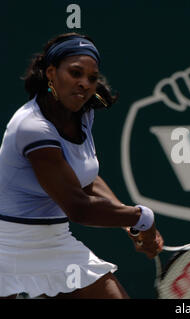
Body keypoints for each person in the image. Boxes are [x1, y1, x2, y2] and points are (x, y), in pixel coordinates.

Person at [0, 32, 164, 299]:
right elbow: (78, 207)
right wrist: (142, 218)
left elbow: (84, 179)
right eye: (75, 73)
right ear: (51, 73)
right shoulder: (32, 127)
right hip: (4, 247)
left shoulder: (83, 112)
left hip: (54, 243)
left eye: (91, 78)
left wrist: (126, 222)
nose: (84, 84)